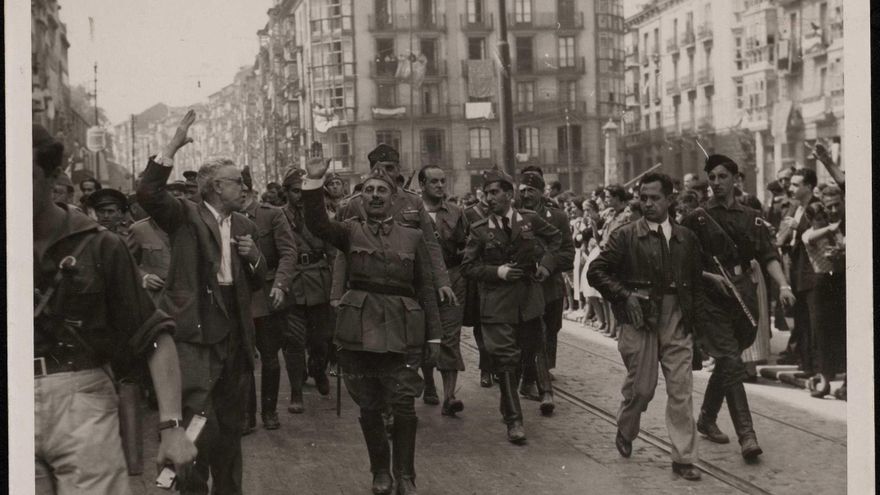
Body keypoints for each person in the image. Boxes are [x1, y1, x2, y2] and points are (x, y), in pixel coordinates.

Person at [33, 124, 196, 494]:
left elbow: (153, 334)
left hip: (81, 400)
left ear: (54, 178)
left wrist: (171, 427)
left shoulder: (101, 246)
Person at [137, 110, 267, 494]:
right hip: (198, 334)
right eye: (235, 182)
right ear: (212, 187)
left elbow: (259, 279)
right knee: (195, 424)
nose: (243, 188)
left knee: (230, 428)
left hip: (234, 338)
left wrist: (253, 255)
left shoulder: (244, 225)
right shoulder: (186, 215)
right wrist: (172, 147)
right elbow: (148, 194)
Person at [302, 158, 442, 495]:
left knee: (405, 405)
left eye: (382, 191)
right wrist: (313, 182)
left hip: (402, 328)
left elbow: (425, 287)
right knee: (369, 405)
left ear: (394, 198)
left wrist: (435, 335)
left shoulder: (413, 236)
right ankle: (381, 472)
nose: (376, 195)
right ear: (361, 198)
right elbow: (318, 224)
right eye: (369, 191)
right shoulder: (349, 231)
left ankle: (405, 475)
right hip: (359, 330)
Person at [587, 172, 705, 481]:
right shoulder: (625, 235)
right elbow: (596, 271)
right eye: (644, 197)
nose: (648, 203)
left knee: (681, 389)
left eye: (655, 198)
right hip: (639, 318)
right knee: (642, 389)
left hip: (676, 317)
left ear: (670, 200)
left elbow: (694, 283)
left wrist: (696, 325)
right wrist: (625, 296)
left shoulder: (686, 238)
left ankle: (683, 458)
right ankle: (627, 427)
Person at [681, 154, 796, 462]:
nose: (716, 183)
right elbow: (681, 261)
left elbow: (768, 254)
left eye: (722, 177)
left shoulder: (751, 217)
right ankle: (747, 434)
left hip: (742, 292)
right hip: (709, 296)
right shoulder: (697, 218)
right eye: (712, 178)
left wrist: (783, 286)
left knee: (731, 356)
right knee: (731, 360)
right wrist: (707, 275)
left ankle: (706, 417)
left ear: (734, 179)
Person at [461, 167, 562, 444]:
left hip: (529, 303)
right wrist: (498, 272)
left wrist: (546, 266)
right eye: (486, 193)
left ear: (509, 194)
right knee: (505, 361)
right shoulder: (480, 230)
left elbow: (556, 239)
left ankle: (514, 404)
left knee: (526, 356)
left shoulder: (529, 221)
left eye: (495, 193)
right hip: (497, 305)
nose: (489, 198)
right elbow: (469, 266)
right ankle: (514, 422)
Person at [240, 166, 298, 431]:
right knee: (242, 359)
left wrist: (280, 285)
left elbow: (288, 252)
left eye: (241, 190)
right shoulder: (224, 218)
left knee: (270, 356)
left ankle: (269, 410)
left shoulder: (271, 216)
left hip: (266, 294)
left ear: (249, 190)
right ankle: (247, 414)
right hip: (237, 296)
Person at [516, 170, 574, 415]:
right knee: (536, 334)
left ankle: (530, 379)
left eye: (532, 190)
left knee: (550, 330)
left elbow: (568, 253)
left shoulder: (558, 217)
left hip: (550, 286)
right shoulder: (513, 216)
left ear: (541, 193)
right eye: (523, 190)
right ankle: (542, 388)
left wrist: (547, 266)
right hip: (526, 288)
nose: (526, 194)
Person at [280, 168, 336, 412]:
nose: (300, 196)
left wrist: (337, 288)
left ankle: (317, 370)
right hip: (292, 284)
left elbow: (333, 253)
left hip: (319, 282)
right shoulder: (278, 217)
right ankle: (296, 392)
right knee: (293, 342)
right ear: (286, 192)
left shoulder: (320, 217)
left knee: (321, 341)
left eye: (303, 191)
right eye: (295, 191)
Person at [418, 165, 469, 416]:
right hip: (421, 281)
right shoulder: (411, 213)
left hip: (452, 279)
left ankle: (450, 396)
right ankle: (429, 384)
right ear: (422, 185)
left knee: (450, 336)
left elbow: (467, 245)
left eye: (442, 181)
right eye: (433, 182)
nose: (439, 185)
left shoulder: (457, 213)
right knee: (424, 333)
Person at [801, 198, 846, 399]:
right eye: (818, 218)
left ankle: (840, 379)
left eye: (824, 217)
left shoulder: (833, 231)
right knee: (821, 333)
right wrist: (833, 227)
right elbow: (812, 237)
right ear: (810, 219)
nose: (822, 221)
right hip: (820, 284)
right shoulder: (809, 233)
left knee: (838, 331)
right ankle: (824, 380)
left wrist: (840, 251)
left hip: (837, 280)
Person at [777, 168, 821, 373]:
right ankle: (805, 364)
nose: (791, 188)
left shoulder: (814, 207)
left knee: (812, 322)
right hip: (798, 272)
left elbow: (818, 236)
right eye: (791, 184)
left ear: (809, 186)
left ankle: (815, 366)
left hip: (811, 274)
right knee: (802, 320)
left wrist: (798, 227)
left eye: (796, 184)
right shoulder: (798, 207)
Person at [462, 185, 495, 388]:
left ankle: (499, 367)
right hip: (477, 280)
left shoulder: (505, 213)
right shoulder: (468, 214)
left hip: (499, 276)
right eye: (485, 192)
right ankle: (486, 368)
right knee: (481, 326)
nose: (488, 197)